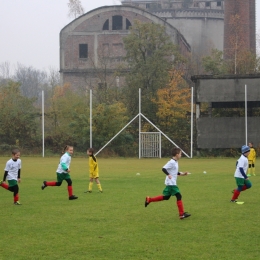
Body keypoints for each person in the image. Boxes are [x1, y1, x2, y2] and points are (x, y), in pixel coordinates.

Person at [144, 147, 191, 220]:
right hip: (171, 183)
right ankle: (181, 214)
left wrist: (183, 174)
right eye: (180, 154)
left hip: (171, 183)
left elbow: (175, 173)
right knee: (179, 196)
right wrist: (168, 174)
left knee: (166, 197)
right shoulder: (171, 162)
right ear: (176, 154)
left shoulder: (175, 162)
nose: (181, 155)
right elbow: (163, 168)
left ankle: (149, 200)